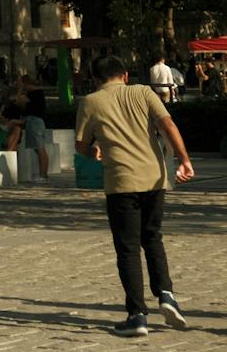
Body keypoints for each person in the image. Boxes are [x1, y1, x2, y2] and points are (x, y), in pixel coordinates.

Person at [76, 54, 194, 336]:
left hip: (121, 182)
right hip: (154, 178)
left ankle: (137, 314)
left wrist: (94, 150)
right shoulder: (143, 92)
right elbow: (168, 125)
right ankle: (166, 294)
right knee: (152, 237)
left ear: (96, 79)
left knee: (127, 247)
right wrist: (184, 159)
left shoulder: (90, 102)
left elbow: (81, 145)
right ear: (125, 75)